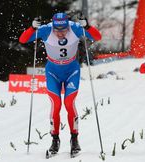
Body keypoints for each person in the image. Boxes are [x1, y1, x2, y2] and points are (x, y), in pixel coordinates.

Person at [19, 12, 102, 154]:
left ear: (67, 26)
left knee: (69, 103)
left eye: (64, 30)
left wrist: (87, 27)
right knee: (56, 104)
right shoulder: (46, 29)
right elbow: (23, 40)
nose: (60, 34)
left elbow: (97, 37)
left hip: (72, 71)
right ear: (53, 27)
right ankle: (55, 139)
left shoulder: (74, 28)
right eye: (57, 30)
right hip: (53, 71)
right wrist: (32, 28)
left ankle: (74, 139)